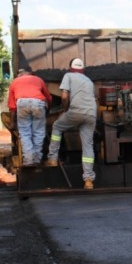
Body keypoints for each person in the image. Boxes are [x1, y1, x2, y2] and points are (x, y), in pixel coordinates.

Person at [45, 58, 98, 190]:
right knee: (88, 145)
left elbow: (64, 96)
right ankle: (89, 180)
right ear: (82, 69)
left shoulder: (68, 76)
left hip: (76, 111)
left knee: (57, 126)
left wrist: (65, 109)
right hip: (91, 113)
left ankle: (52, 158)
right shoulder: (89, 81)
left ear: (70, 68)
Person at [7, 68, 52, 167]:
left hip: (22, 103)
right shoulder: (38, 79)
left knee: (25, 133)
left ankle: (28, 160)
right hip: (38, 103)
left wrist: (12, 122)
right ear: (30, 73)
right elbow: (48, 97)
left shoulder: (14, 82)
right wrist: (48, 110)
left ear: (20, 74)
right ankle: (36, 159)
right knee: (38, 132)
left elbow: (12, 106)